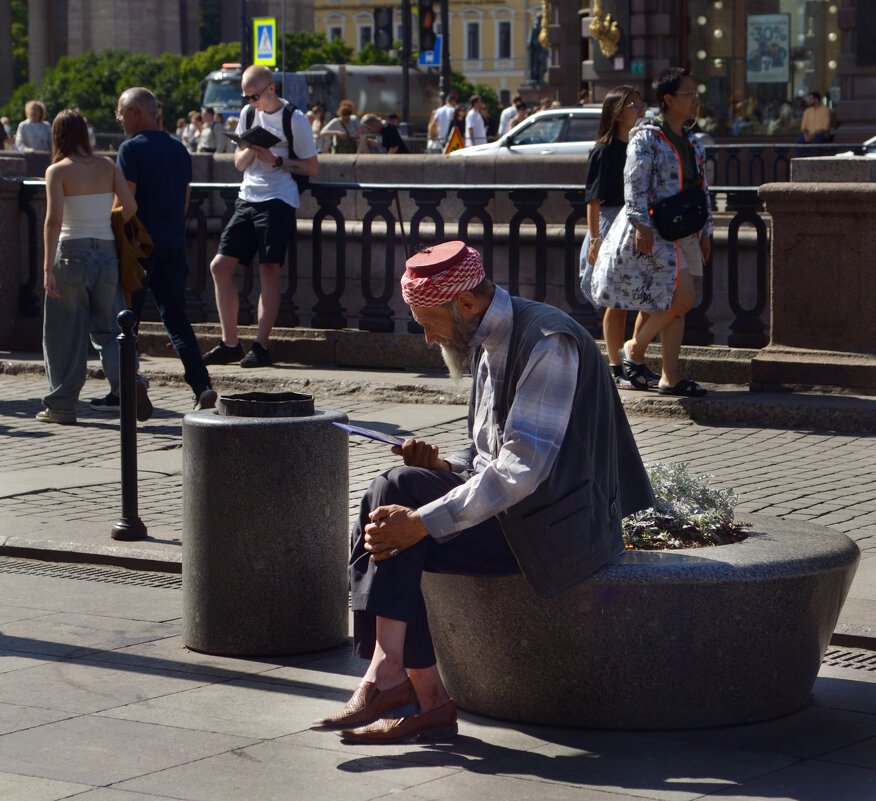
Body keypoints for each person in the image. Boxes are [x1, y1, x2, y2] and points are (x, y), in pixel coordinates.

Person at [311, 240, 654, 744]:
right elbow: (486, 457)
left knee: (402, 521)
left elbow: (520, 471)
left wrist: (421, 522)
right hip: (518, 514)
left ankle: (410, 689)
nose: (429, 338)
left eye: (431, 323)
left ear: (467, 303)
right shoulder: (487, 337)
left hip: (558, 533)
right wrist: (442, 467)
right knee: (390, 496)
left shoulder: (546, 343)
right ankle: (400, 681)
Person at [591, 67, 712, 397]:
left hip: (686, 229)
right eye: (689, 94)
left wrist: (706, 230)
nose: (695, 100)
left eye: (696, 94)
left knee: (676, 306)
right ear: (669, 99)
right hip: (658, 231)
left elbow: (703, 189)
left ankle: (670, 378)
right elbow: (634, 184)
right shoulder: (647, 136)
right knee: (682, 297)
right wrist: (640, 225)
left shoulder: (694, 142)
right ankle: (635, 348)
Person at [202, 65, 319, 368]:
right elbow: (239, 164)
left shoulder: (294, 118)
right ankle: (230, 343)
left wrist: (277, 160)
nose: (251, 102)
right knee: (219, 266)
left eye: (254, 96)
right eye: (246, 97)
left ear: (271, 89)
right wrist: (252, 149)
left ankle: (261, 346)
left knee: (269, 269)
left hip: (279, 198)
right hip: (248, 197)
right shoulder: (248, 115)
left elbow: (312, 166)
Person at [115, 87, 216, 411]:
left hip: (139, 249)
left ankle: (127, 385)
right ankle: (202, 386)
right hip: (173, 245)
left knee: (126, 319)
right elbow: (184, 203)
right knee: (176, 318)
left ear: (136, 113)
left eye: (121, 112)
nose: (118, 119)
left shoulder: (131, 149)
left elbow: (125, 205)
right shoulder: (178, 148)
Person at [36, 109, 138, 425]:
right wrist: (105, 222)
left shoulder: (57, 170)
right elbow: (130, 206)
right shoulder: (107, 165)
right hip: (107, 252)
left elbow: (53, 221)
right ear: (84, 133)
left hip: (71, 253)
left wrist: (47, 268)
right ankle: (129, 386)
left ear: (57, 136)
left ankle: (62, 406)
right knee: (111, 329)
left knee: (64, 334)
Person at [579, 85, 657, 390]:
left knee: (648, 298)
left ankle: (634, 359)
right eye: (632, 105)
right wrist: (595, 239)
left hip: (639, 223)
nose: (640, 109)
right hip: (612, 224)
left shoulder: (642, 145)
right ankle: (615, 366)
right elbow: (593, 199)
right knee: (617, 300)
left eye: (640, 104)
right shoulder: (604, 150)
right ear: (616, 112)